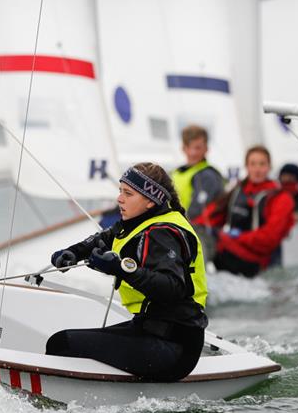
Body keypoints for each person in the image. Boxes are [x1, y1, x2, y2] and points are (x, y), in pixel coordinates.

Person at [45, 163, 208, 382]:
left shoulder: (163, 233)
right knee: (62, 340)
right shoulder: (136, 223)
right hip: (150, 329)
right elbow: (102, 239)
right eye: (120, 191)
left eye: (128, 194)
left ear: (150, 201)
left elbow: (172, 287)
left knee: (61, 343)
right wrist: (72, 253)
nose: (119, 199)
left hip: (174, 347)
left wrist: (121, 269)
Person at [194, 145, 294, 277]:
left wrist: (235, 238)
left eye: (262, 164)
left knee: (210, 241)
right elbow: (212, 216)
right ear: (246, 166)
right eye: (253, 164)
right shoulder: (238, 190)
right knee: (196, 233)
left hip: (258, 263)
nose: (257, 169)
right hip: (231, 253)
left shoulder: (281, 198)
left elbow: (270, 237)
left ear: (269, 167)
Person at [172, 125, 225, 220]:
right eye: (189, 147)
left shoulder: (207, 175)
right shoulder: (176, 173)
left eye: (198, 148)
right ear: (183, 148)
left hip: (196, 231)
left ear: (206, 149)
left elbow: (197, 212)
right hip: (178, 226)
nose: (193, 153)